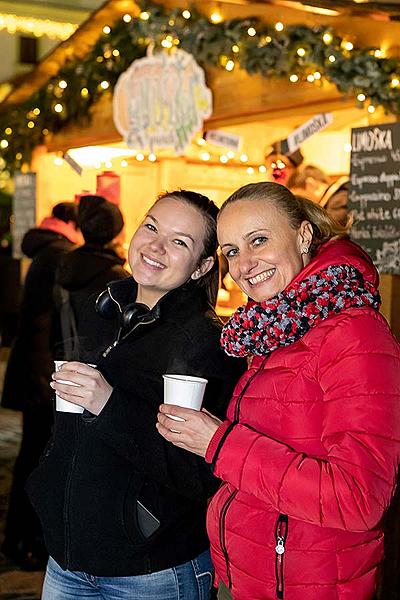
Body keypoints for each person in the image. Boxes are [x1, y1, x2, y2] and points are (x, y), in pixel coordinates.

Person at [157, 182, 400, 600]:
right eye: (231, 251)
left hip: (312, 585)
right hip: (248, 576)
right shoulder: (274, 328)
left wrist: (219, 443)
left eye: (259, 240)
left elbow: (359, 500)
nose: (245, 264)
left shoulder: (354, 334)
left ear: (304, 235)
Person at [26, 190, 245, 599]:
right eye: (151, 226)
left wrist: (107, 403)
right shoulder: (105, 311)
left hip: (151, 571)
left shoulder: (204, 343)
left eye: (180, 241)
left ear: (202, 267)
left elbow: (199, 474)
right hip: (67, 560)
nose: (156, 246)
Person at [1, 202, 81, 570]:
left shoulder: (46, 250)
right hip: (41, 373)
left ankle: (20, 538)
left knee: (30, 458)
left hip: (31, 366)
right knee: (36, 460)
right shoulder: (60, 255)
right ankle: (23, 541)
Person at [54, 194, 130, 358]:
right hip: (102, 370)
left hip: (70, 360)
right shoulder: (118, 278)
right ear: (115, 233)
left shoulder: (65, 265)